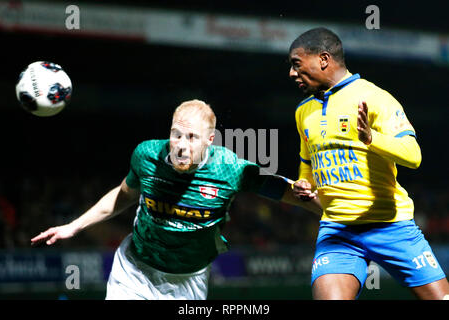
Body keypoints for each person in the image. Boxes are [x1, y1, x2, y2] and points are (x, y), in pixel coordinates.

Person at [31, 99, 321, 300]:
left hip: (188, 280)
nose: (181, 145)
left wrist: (330, 212)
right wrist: (75, 226)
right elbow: (122, 197)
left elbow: (287, 191)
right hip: (135, 269)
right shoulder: (147, 156)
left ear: (210, 141)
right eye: (176, 134)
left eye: (192, 137)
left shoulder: (230, 169)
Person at [288, 27, 449, 300]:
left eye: (296, 64)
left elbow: (413, 155)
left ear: (323, 59)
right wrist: (305, 183)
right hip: (337, 231)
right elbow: (308, 165)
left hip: (391, 225)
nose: (292, 73)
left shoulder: (375, 98)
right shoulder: (303, 111)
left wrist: (372, 139)